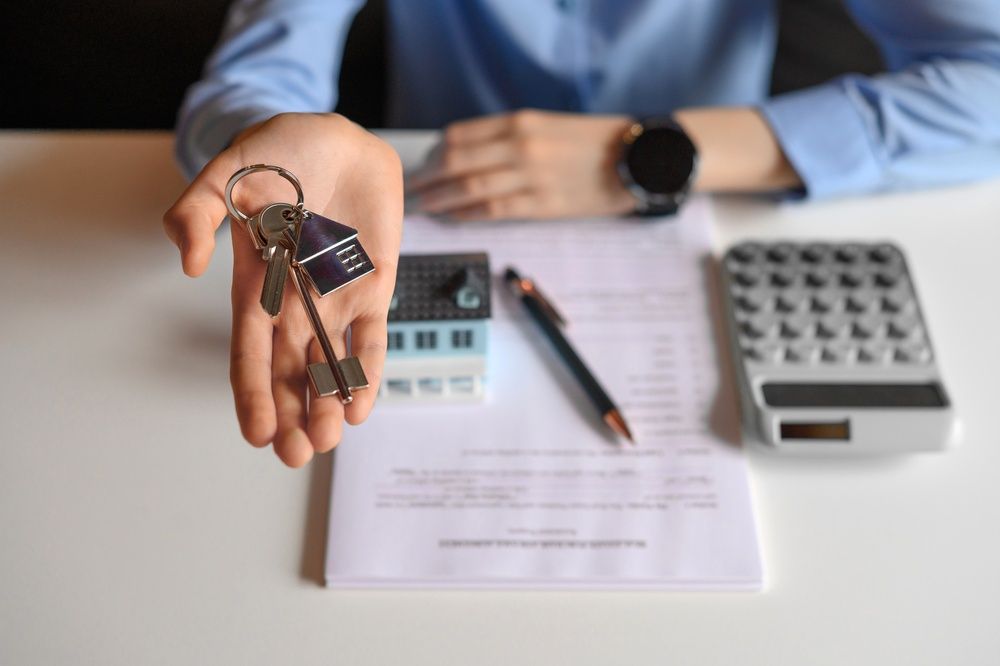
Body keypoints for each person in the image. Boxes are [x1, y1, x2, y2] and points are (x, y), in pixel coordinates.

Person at [164, 0, 1000, 467]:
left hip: (707, 233)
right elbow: (247, 78)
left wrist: (653, 152)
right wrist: (270, 136)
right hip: (421, 214)